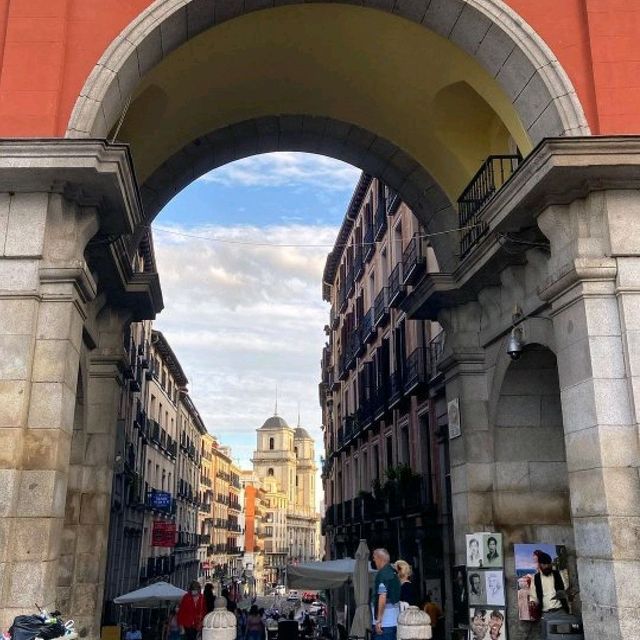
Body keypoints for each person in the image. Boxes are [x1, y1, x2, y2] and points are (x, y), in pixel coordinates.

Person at [528, 550, 570, 622]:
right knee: (548, 633)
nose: (547, 566)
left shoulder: (559, 574)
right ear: (540, 564)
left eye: (548, 564)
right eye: (544, 564)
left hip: (561, 611)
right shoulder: (535, 578)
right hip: (545, 614)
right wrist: (532, 602)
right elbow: (533, 595)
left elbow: (566, 587)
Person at [371, 548, 401, 640]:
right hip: (393, 621)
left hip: (385, 624)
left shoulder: (383, 575)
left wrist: (379, 620)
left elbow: (382, 597)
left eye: (374, 558)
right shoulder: (393, 572)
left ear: (380, 559)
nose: (373, 560)